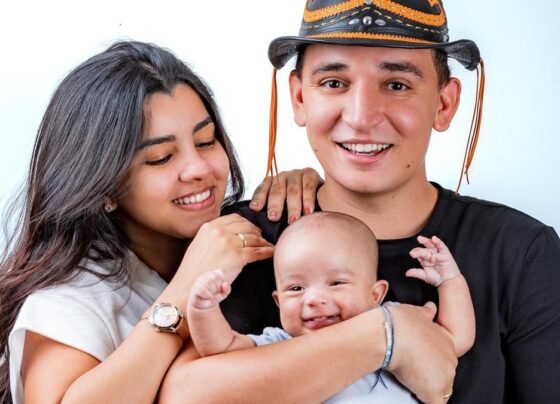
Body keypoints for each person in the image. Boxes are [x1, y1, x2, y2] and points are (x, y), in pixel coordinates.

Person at [161, 1, 560, 403]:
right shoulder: (247, 240)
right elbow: (183, 396)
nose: (361, 117)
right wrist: (384, 335)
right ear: (299, 98)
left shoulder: (519, 251)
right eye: (334, 82)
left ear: (444, 103)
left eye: (397, 85)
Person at [0, 40, 322, 403]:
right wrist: (182, 292)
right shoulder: (68, 302)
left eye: (206, 141)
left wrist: (317, 201)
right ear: (103, 185)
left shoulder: (244, 245)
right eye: (160, 158)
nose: (198, 168)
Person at [188, 212, 474, 403]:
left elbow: (454, 340)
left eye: (336, 283)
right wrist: (203, 309)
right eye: (296, 289)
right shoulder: (279, 345)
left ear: (376, 294)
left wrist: (450, 280)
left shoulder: (394, 323)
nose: (313, 299)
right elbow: (222, 349)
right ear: (277, 302)